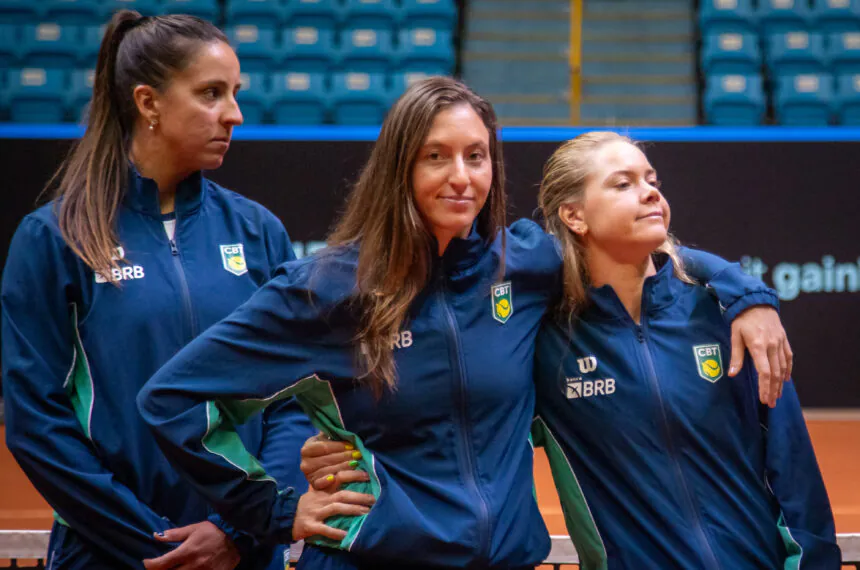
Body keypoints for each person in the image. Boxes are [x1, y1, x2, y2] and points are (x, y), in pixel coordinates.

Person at [137, 77, 791, 570]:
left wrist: (747, 293)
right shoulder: (330, 287)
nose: (461, 178)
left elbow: (634, 238)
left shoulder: (525, 262)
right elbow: (169, 399)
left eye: (476, 157)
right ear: (400, 166)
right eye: (436, 157)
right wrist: (274, 511)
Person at [1, 10, 314, 570]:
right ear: (149, 103)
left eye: (234, 93)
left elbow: (292, 398)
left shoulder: (258, 231)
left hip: (242, 553)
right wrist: (157, 547)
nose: (235, 115)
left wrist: (237, 531)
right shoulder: (53, 238)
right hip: (110, 555)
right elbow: (37, 425)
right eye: (212, 93)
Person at [530, 132, 840, 569]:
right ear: (574, 215)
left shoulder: (728, 315)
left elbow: (795, 474)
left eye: (651, 179)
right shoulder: (545, 343)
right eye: (623, 184)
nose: (650, 191)